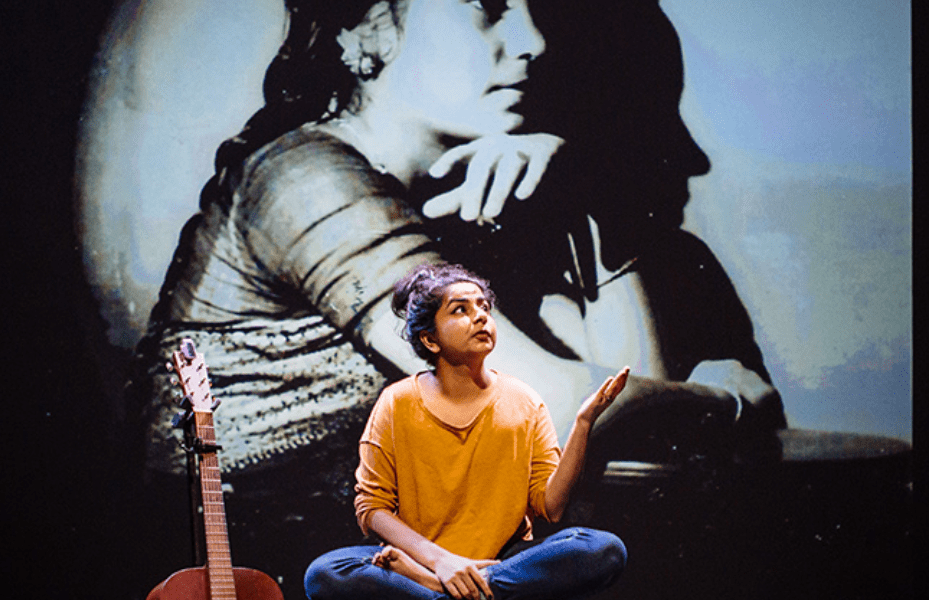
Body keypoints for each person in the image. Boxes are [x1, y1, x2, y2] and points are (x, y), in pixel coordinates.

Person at [129, 0, 782, 523]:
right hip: (237, 574)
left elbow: (632, 445)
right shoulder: (305, 181)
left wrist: (585, 205)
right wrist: (731, 404)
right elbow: (547, 413)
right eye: (488, 7)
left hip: (353, 559)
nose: (533, 42)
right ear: (368, 28)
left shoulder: (459, 206)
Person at [304, 264, 628, 600]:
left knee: (603, 550)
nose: (480, 316)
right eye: (461, 309)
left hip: (501, 563)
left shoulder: (525, 401)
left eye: (484, 307)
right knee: (325, 575)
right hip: (421, 560)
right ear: (430, 340)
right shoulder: (397, 402)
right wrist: (440, 562)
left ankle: (445, 595)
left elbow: (550, 508)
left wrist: (584, 424)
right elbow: (371, 509)